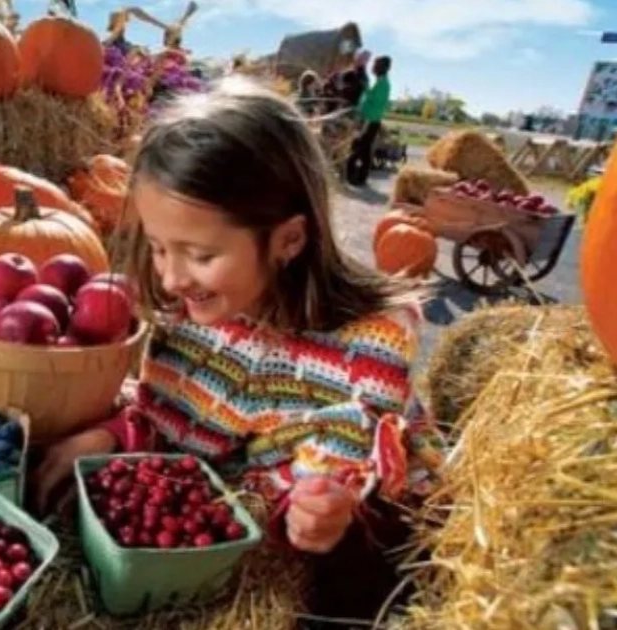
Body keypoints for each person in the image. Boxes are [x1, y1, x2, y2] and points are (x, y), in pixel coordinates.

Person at [33, 75, 445, 620]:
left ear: (289, 240)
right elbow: (169, 419)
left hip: (343, 557)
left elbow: (349, 479)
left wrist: (327, 512)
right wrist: (111, 435)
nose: (172, 277)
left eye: (199, 255)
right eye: (158, 249)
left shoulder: (367, 346)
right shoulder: (192, 316)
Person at [346, 55, 392, 186]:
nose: (373, 67)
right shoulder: (380, 82)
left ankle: (352, 176)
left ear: (383, 68)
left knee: (357, 148)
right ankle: (360, 177)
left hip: (370, 121)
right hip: (369, 120)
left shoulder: (383, 84)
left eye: (376, 65)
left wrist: (366, 88)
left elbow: (375, 104)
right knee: (365, 150)